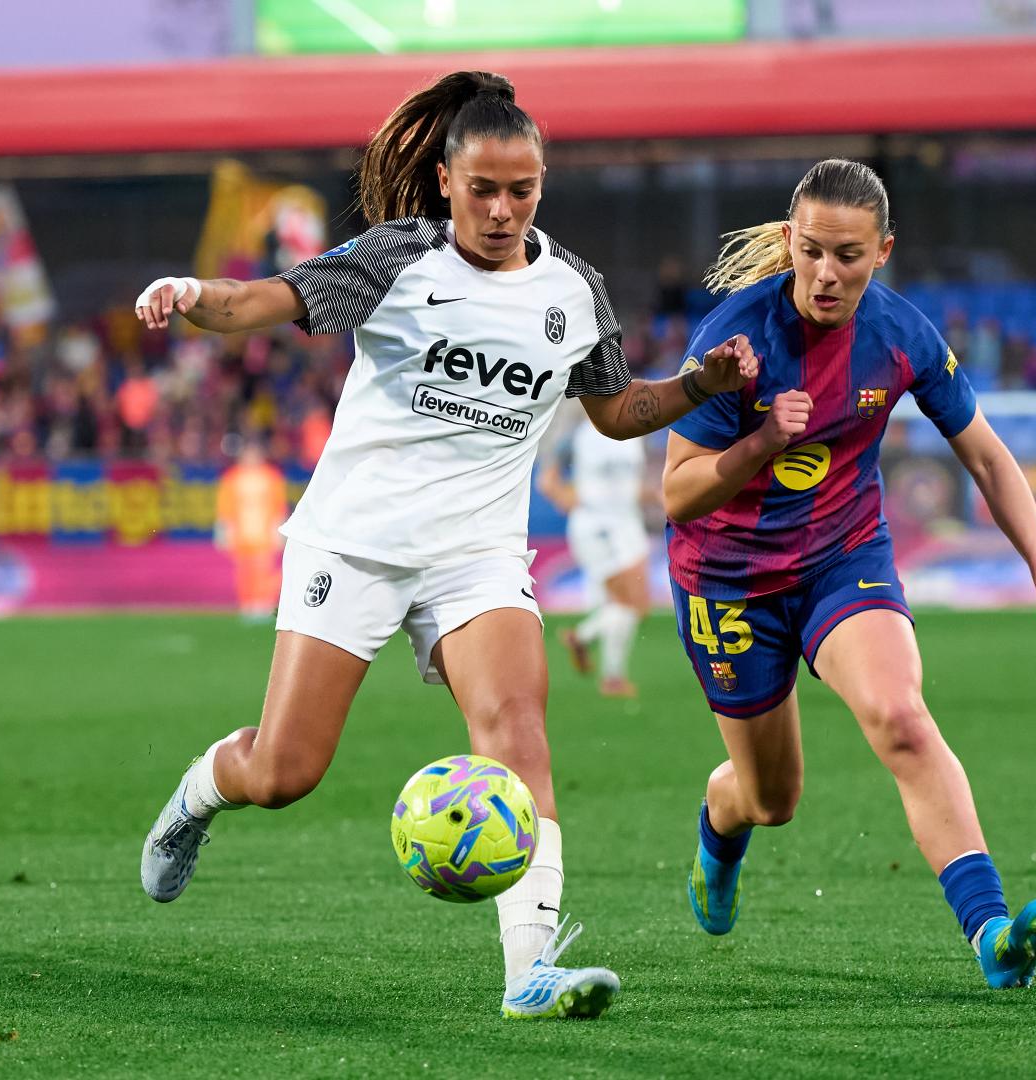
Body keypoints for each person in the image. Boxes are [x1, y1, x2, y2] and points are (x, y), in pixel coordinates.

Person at [130, 70, 755, 1020]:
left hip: (479, 556)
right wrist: (190, 292)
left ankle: (528, 972)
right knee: (284, 772)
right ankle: (197, 797)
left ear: (541, 183)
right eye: (483, 191)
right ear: (445, 183)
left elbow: (619, 410)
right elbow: (262, 300)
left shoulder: (573, 290)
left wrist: (699, 385)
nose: (503, 210)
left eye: (523, 189)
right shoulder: (397, 259)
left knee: (519, 736)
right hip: (357, 542)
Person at [660, 159, 1036, 990]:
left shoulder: (901, 336)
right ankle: (719, 835)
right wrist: (757, 444)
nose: (828, 274)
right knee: (770, 797)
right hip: (728, 583)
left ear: (882, 251)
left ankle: (991, 937)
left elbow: (986, 455)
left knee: (899, 716)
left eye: (849, 256)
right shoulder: (732, 341)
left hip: (839, 557)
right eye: (814, 251)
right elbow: (677, 494)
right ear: (790, 242)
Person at [536, 400, 653, 697]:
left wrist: (656, 496)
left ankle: (589, 646)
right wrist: (572, 501)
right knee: (631, 602)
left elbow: (629, 485)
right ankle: (608, 672)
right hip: (598, 527)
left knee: (628, 604)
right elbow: (547, 481)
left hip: (628, 523)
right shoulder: (577, 436)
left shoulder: (634, 434)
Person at [215, 439, 288, 621]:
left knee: (263, 568)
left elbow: (279, 504)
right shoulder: (232, 477)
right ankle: (247, 603)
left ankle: (263, 603)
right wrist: (224, 530)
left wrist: (278, 529)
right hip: (242, 533)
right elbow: (225, 506)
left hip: (263, 533)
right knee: (245, 570)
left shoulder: (271, 476)